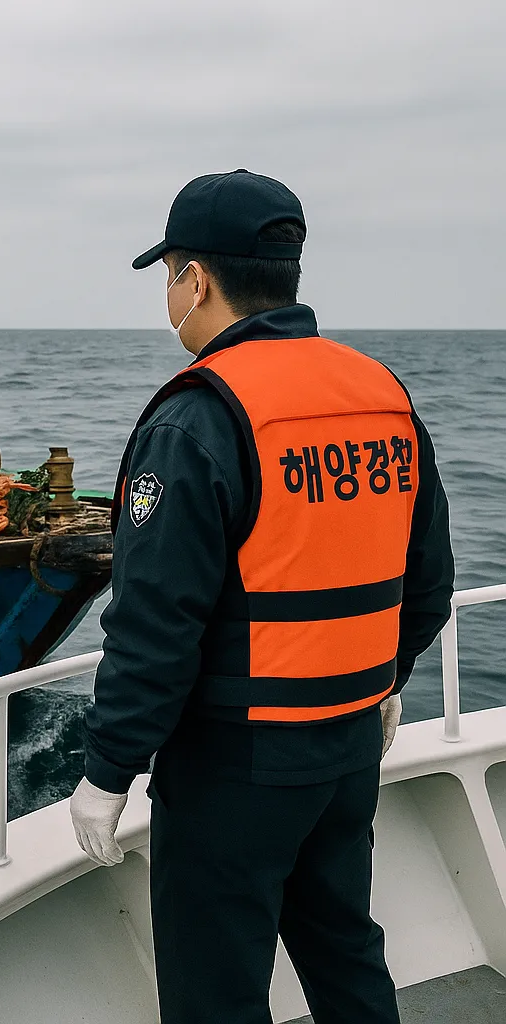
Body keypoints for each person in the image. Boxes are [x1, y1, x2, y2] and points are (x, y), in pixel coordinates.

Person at [69, 169, 454, 1023]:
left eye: (170, 274)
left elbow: (154, 628)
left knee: (217, 992)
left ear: (195, 280)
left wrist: (107, 769)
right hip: (350, 748)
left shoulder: (198, 418)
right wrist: (380, 680)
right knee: (346, 951)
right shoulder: (382, 396)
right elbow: (427, 584)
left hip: (235, 768)